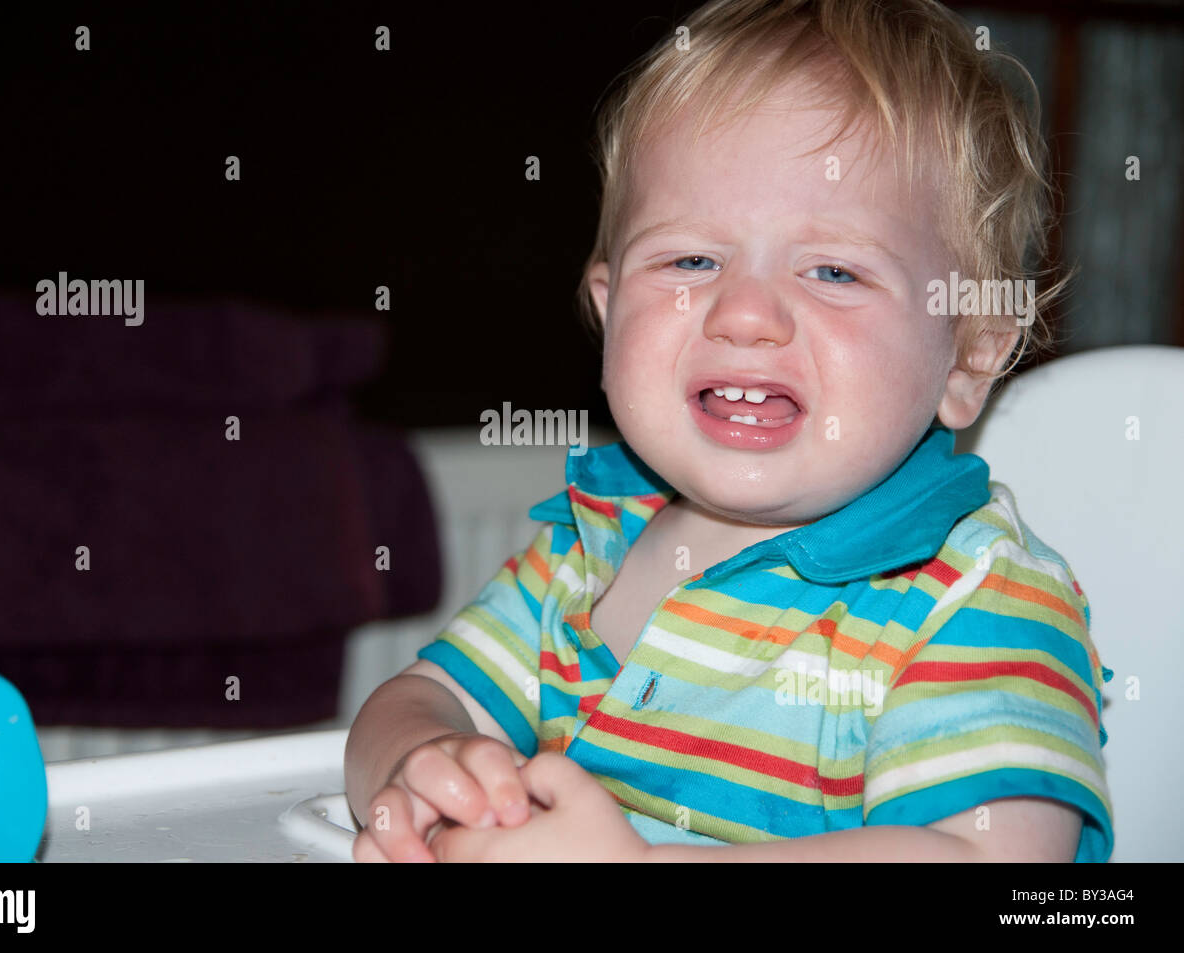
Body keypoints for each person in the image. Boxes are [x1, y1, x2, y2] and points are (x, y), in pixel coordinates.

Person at [343, 0, 1113, 862]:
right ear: (609, 310)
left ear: (968, 357)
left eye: (833, 269)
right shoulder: (586, 547)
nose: (744, 314)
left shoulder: (973, 597)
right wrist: (426, 767)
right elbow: (416, 698)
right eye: (691, 261)